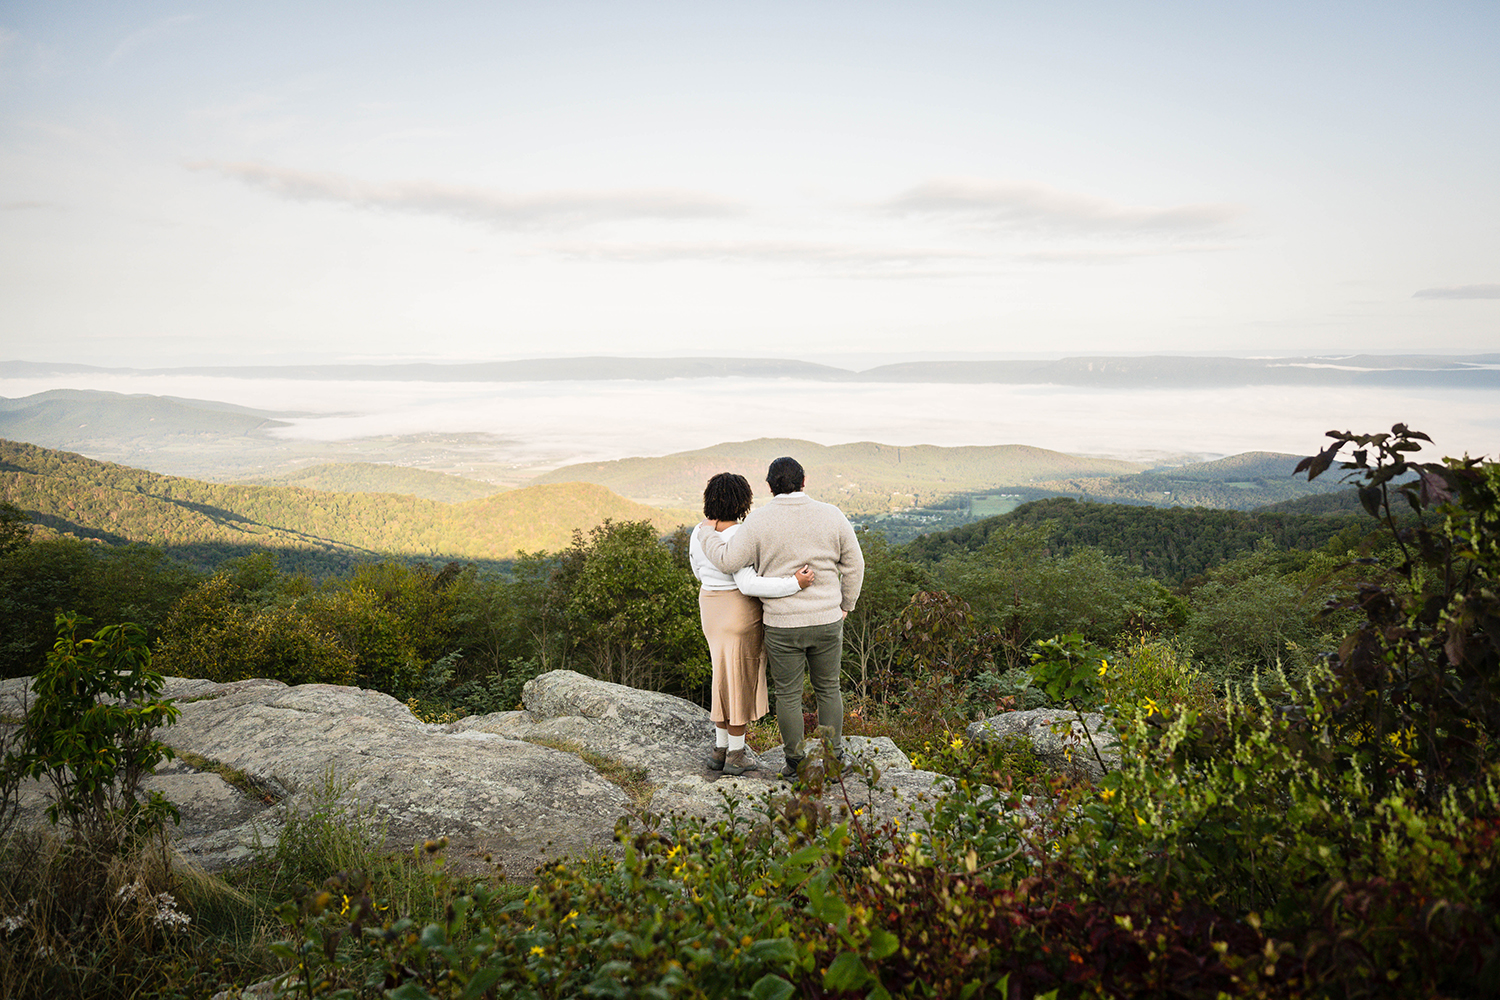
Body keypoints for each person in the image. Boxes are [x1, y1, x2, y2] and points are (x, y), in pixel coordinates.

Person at [698, 456, 865, 779]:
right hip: (826, 619)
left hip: (782, 624)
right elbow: (855, 564)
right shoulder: (832, 515)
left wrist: (706, 533)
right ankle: (833, 760)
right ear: (803, 482)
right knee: (828, 689)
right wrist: (847, 603)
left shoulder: (759, 521)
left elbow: (730, 560)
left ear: (770, 487)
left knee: (788, 694)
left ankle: (795, 763)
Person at [689, 472, 814, 775]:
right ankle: (736, 754)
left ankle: (719, 749)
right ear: (743, 501)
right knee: (741, 678)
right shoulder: (742, 534)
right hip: (739, 610)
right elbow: (749, 584)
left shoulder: (699, 531)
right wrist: (794, 584)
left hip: (710, 607)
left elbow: (696, 569)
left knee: (722, 675)